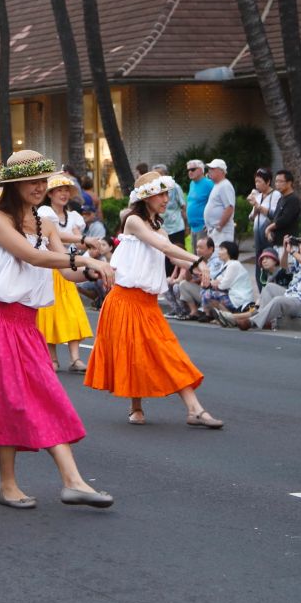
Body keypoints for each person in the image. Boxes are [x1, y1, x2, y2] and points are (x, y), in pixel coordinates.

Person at [0, 150, 117, 510]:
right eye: (32, 181)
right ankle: (55, 482)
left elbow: (65, 271)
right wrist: (84, 257)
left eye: (43, 181)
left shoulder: (45, 222)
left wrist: (95, 270)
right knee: (17, 401)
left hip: (24, 324)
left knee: (30, 398)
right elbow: (34, 258)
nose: (39, 187)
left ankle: (49, 483)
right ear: (13, 185)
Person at [85, 171, 225, 429]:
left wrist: (197, 268)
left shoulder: (158, 226)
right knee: (135, 355)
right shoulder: (133, 221)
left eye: (166, 193)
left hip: (146, 302)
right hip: (125, 299)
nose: (166, 198)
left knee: (166, 352)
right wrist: (198, 261)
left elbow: (174, 257)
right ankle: (140, 407)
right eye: (160, 193)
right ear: (146, 197)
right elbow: (166, 248)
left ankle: (192, 409)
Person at [35, 173, 94, 372]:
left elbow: (77, 237)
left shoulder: (74, 217)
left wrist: (89, 246)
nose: (63, 194)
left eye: (66, 190)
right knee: (50, 312)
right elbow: (56, 235)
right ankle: (52, 358)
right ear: (50, 194)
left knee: (72, 311)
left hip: (69, 268)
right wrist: (82, 240)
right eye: (59, 190)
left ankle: (75, 358)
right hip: (51, 267)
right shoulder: (44, 212)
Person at [222, 235, 301, 331]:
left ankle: (252, 322)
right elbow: (284, 266)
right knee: (269, 287)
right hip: (292, 296)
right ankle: (264, 320)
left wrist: (293, 252)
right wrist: (286, 251)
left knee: (278, 300)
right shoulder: (298, 261)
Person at [200, 240, 255, 319]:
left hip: (240, 299)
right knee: (208, 292)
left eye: (222, 249)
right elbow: (217, 280)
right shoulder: (226, 265)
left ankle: (220, 316)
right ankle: (225, 317)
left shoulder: (234, 264)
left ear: (230, 251)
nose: (219, 252)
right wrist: (213, 282)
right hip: (233, 296)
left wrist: (214, 283)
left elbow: (223, 285)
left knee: (208, 294)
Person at [265, 170, 301, 255]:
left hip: (288, 245)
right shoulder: (281, 199)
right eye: (276, 181)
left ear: (289, 183)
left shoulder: (293, 199)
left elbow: (284, 219)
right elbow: (275, 218)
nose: (277, 184)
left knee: (286, 267)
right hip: (277, 243)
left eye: (281, 181)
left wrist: (268, 228)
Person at [201, 159, 236, 247]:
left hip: (222, 232)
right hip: (216, 231)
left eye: (212, 169)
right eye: (209, 169)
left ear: (221, 171)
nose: (209, 171)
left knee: (220, 256)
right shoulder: (218, 185)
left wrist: (220, 226)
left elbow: (229, 207)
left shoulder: (225, 185)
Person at [248, 168, 280, 258]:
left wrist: (257, 206)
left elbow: (274, 214)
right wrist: (255, 208)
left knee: (269, 258)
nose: (256, 184)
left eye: (259, 181)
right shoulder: (258, 196)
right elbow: (251, 218)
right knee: (259, 259)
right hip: (257, 235)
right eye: (255, 181)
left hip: (269, 234)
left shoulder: (275, 194)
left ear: (268, 181)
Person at [156, 164, 188, 247]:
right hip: (161, 229)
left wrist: (187, 226)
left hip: (176, 228)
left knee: (178, 255)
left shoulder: (175, 187)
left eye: (159, 174)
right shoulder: (154, 190)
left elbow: (183, 207)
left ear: (166, 174)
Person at [183, 159, 211, 251]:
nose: (190, 172)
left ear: (200, 170)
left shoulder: (208, 184)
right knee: (195, 257)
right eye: (188, 170)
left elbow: (216, 204)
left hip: (203, 227)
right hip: (193, 228)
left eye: (192, 169)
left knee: (202, 256)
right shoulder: (192, 183)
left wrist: (210, 223)